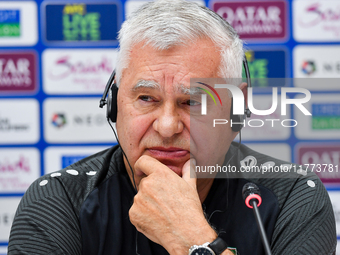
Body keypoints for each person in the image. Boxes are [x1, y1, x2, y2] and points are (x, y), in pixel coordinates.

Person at [8, 0, 336, 254]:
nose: (167, 127)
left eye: (193, 102)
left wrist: (192, 240)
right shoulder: (58, 201)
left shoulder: (293, 196)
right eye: (147, 98)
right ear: (115, 103)